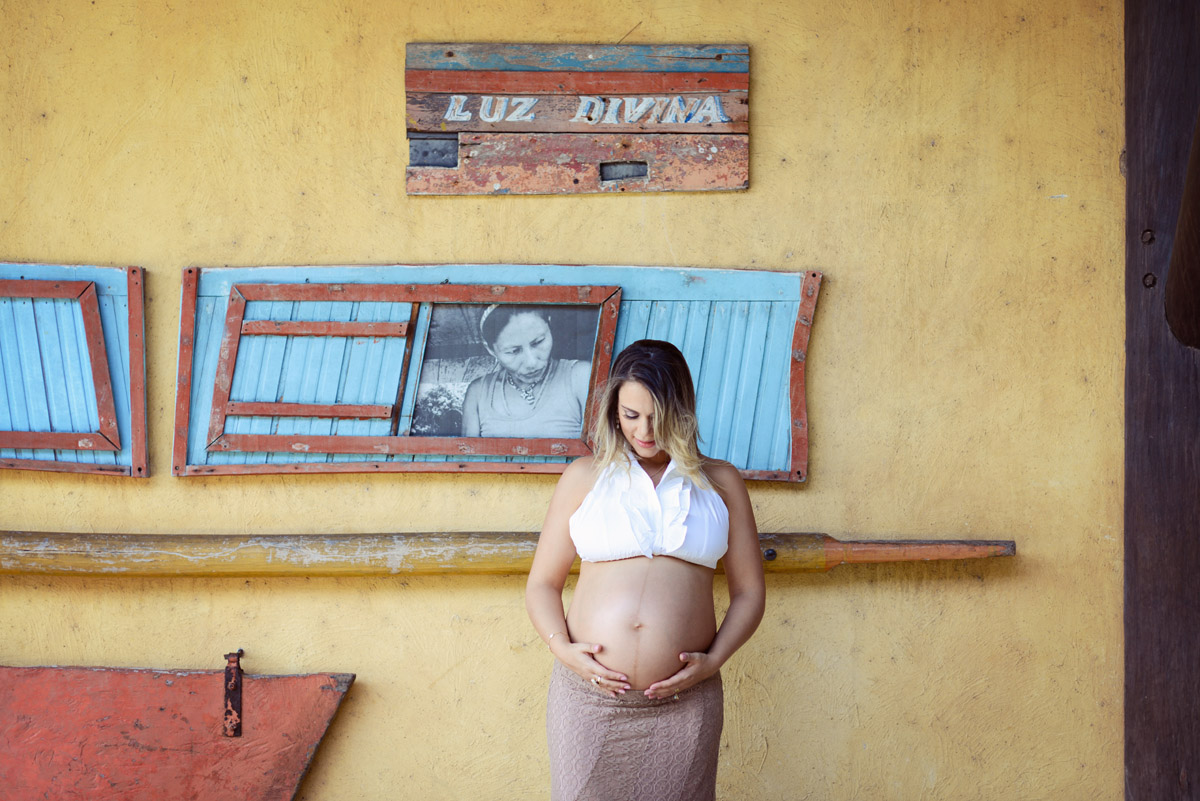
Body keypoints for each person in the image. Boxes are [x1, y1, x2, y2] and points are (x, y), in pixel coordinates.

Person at [525, 339, 765, 801]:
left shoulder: (721, 482)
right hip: (589, 698)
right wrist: (563, 650)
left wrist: (714, 661)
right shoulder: (584, 477)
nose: (645, 430)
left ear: (683, 411)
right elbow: (542, 584)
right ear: (614, 411)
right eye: (631, 415)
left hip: (685, 701)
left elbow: (750, 593)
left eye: (658, 416)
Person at [461, 305, 592, 438]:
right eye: (513, 351)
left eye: (538, 342)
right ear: (491, 350)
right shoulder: (478, 393)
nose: (531, 362)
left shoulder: (580, 377)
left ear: (549, 324)